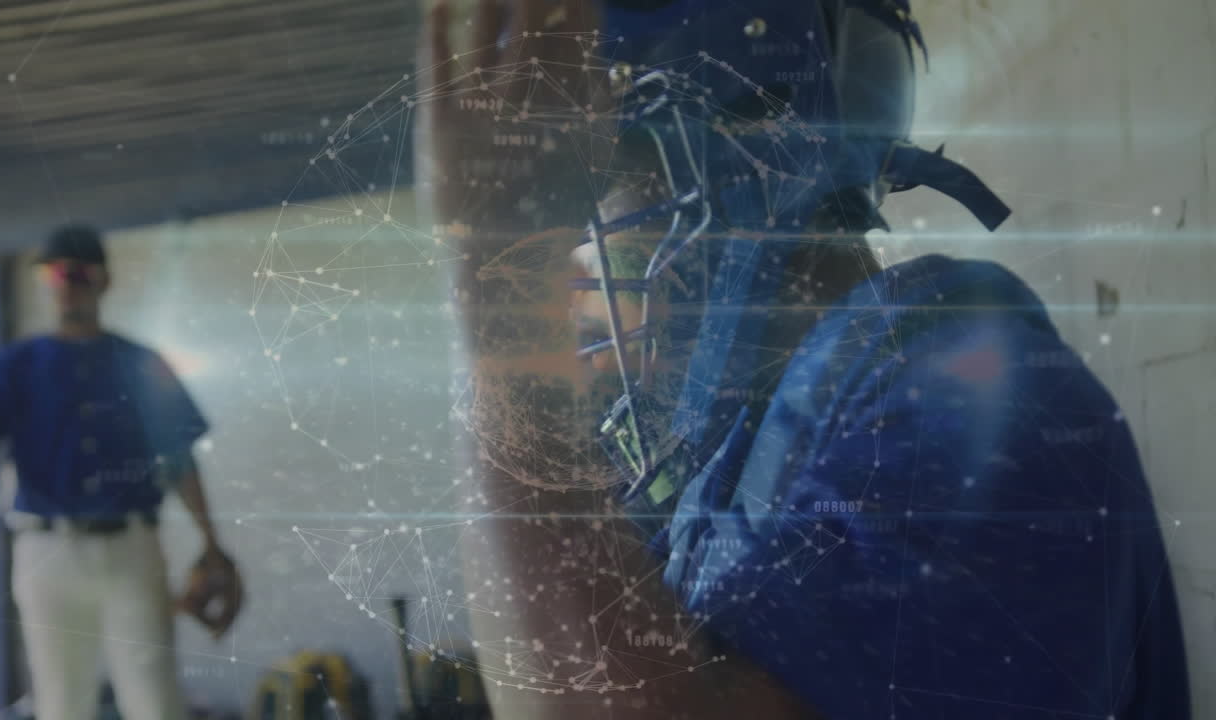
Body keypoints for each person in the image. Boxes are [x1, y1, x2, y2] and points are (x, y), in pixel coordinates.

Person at [417, 0, 1189, 718]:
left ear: (735, 158)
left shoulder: (971, 403)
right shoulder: (730, 457)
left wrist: (498, 298)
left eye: (593, 196)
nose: (580, 275)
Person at [0, 225, 242, 720]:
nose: (68, 283)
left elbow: (180, 458)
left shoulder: (140, 362)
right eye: (55, 272)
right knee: (60, 702)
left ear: (104, 281)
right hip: (46, 553)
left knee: (155, 700)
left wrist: (211, 543)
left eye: (80, 272)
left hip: (131, 548)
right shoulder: (15, 367)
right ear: (43, 281)